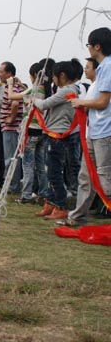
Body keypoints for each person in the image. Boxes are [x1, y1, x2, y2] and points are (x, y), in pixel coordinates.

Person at [62, 27, 111, 226]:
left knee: (105, 178)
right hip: (94, 132)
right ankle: (77, 216)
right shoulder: (102, 70)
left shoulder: (107, 66)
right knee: (86, 176)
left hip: (104, 132)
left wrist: (81, 103)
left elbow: (103, 102)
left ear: (97, 46)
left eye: (89, 45)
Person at [34, 59, 82, 220]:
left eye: (54, 76)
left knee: (54, 172)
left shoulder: (67, 91)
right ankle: (51, 202)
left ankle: (61, 205)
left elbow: (44, 104)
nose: (53, 79)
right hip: (54, 133)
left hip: (58, 135)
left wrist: (32, 98)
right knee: (50, 170)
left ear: (62, 75)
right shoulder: (67, 90)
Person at [7, 62, 51, 204]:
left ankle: (26, 195)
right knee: (40, 165)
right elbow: (28, 94)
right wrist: (22, 85)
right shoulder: (46, 90)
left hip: (29, 130)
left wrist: (10, 84)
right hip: (41, 130)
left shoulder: (34, 90)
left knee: (27, 164)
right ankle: (43, 192)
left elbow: (12, 96)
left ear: (35, 75)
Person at [0, 61, 25, 193]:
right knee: (11, 157)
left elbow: (15, 103)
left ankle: (12, 186)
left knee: (10, 158)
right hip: (11, 127)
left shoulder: (12, 87)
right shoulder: (16, 86)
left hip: (11, 128)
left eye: (1, 72)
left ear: (9, 73)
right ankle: (11, 184)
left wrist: (10, 118)